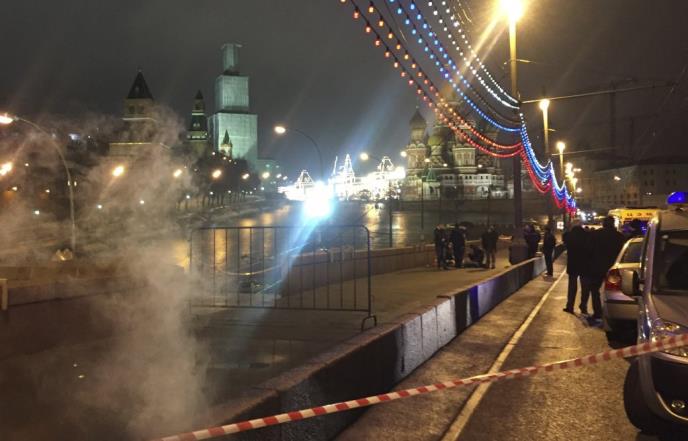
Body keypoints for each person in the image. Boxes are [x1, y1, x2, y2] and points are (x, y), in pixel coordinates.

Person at [581, 216, 626, 321]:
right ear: (613, 224)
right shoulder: (619, 236)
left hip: (597, 266)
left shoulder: (595, 235)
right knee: (615, 291)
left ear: (603, 224)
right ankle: (614, 313)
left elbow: (588, 250)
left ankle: (598, 312)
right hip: (614, 267)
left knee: (594, 289)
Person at [562, 219, 590, 314]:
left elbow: (565, 242)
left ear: (572, 225)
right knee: (585, 287)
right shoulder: (587, 235)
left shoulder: (569, 235)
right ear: (581, 225)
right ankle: (583, 306)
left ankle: (570, 306)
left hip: (573, 263)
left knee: (572, 286)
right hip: (585, 264)